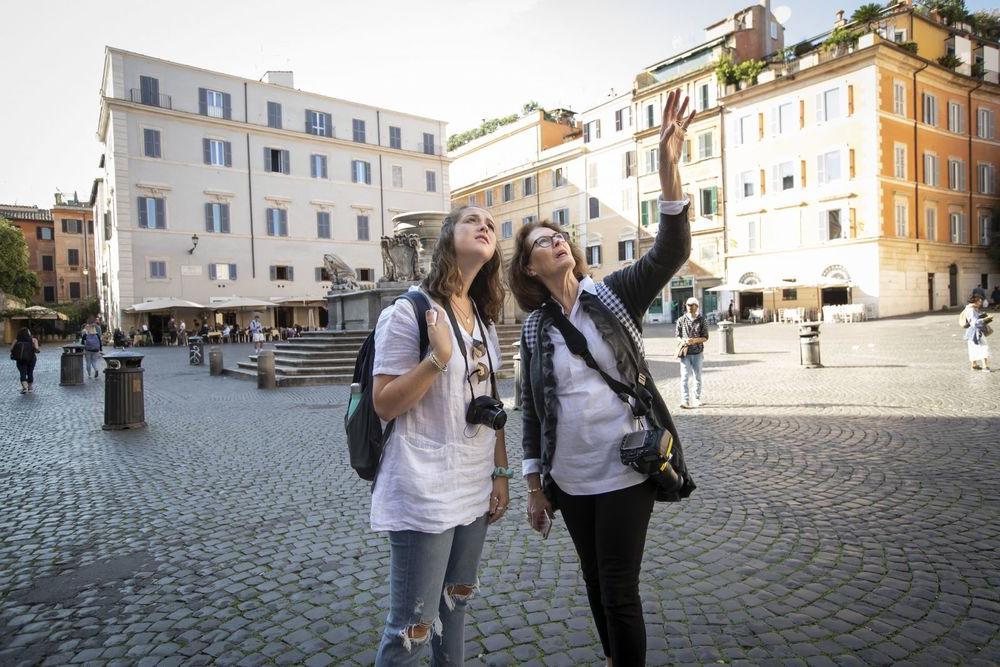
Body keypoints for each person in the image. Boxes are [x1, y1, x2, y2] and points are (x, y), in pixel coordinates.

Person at [510, 89, 696, 667]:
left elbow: (670, 251)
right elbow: (534, 412)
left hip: (625, 468)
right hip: (571, 477)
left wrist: (668, 171)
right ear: (530, 269)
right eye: (542, 242)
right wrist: (536, 486)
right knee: (595, 589)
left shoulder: (612, 295)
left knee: (619, 589)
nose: (556, 240)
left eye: (557, 235)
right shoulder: (535, 329)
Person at [370, 204, 509, 665]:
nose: (485, 225)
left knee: (457, 603)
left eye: (491, 223)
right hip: (424, 485)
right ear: (448, 238)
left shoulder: (484, 321)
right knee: (413, 627)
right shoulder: (409, 311)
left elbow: (492, 404)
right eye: (473, 220)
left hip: (472, 482)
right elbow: (384, 402)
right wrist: (436, 359)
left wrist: (501, 473)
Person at [676, 296, 709, 408]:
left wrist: (694, 340)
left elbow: (705, 337)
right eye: (688, 305)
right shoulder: (681, 320)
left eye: (692, 305)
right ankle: (685, 400)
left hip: (698, 353)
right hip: (685, 353)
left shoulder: (702, 320)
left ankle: (696, 398)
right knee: (684, 377)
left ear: (697, 307)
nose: (690, 307)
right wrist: (684, 340)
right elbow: (677, 336)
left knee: (697, 377)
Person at [960, 295, 992, 371]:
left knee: (972, 348)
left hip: (970, 332)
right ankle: (985, 366)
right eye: (979, 301)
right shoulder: (971, 310)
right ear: (975, 302)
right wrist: (986, 320)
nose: (980, 303)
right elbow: (974, 322)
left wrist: (982, 315)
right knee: (983, 347)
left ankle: (974, 364)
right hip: (976, 331)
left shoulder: (970, 308)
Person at [10, 327, 41, 394]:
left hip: (20, 359)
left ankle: (25, 388)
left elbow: (11, 349)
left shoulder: (16, 340)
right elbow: (37, 350)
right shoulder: (33, 340)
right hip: (31, 359)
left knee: (22, 373)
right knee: (30, 372)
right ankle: (30, 387)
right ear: (28, 333)